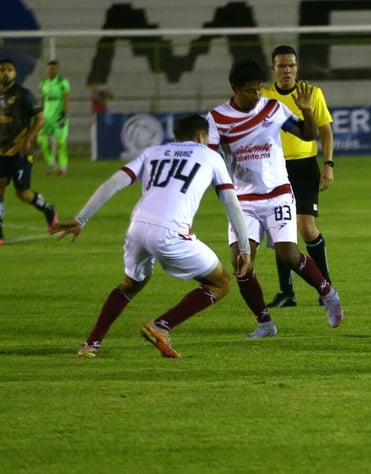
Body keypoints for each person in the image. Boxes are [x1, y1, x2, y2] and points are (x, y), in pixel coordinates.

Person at [50, 114, 252, 359]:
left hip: (137, 228)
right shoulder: (210, 155)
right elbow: (231, 201)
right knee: (220, 283)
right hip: (170, 233)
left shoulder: (153, 152)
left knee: (130, 285)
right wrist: (244, 247)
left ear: (176, 136)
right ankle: (161, 326)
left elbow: (114, 182)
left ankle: (91, 344)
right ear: (201, 136)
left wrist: (81, 218)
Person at [207, 59, 343, 338]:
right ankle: (265, 324)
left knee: (289, 255)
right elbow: (209, 158)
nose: (256, 96)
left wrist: (307, 112)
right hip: (242, 200)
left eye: (258, 89)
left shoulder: (272, 108)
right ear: (235, 89)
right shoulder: (217, 118)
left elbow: (306, 135)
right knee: (241, 265)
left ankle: (328, 293)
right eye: (249, 91)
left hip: (278, 193)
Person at [261, 45, 335, 309]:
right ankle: (287, 293)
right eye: (281, 66)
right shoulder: (263, 96)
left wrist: (328, 163)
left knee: (306, 227)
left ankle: (325, 287)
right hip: (273, 169)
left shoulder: (312, 93)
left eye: (291, 65)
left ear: (297, 67)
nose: (286, 70)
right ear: (273, 69)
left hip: (304, 166)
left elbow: (325, 131)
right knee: (281, 230)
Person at [0, 57, 58, 245]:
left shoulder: (24, 94)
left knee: (23, 193)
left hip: (20, 153)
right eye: (2, 69)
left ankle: (48, 209)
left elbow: (40, 119)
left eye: (9, 69)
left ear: (15, 73)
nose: (5, 72)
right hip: (1, 152)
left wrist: (27, 139)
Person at [37, 59, 71, 175]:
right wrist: (39, 112)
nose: (52, 70)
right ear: (47, 69)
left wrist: (64, 113)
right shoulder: (44, 83)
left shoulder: (62, 82)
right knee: (41, 139)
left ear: (57, 69)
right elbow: (42, 98)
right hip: (47, 116)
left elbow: (66, 97)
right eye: (50, 68)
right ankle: (51, 163)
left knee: (61, 142)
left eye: (54, 68)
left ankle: (63, 167)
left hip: (58, 115)